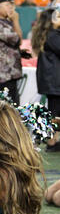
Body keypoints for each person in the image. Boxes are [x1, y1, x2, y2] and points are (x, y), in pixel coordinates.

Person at [31, 8, 60, 152]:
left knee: (54, 111)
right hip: (54, 80)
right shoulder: (53, 36)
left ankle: (51, 140)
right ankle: (48, 141)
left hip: (51, 80)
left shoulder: (48, 35)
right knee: (54, 112)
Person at [0, 0, 23, 105]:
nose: (10, 8)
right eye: (7, 5)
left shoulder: (1, 22)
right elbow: (18, 40)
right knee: (10, 110)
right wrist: (16, 20)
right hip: (4, 75)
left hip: (7, 73)